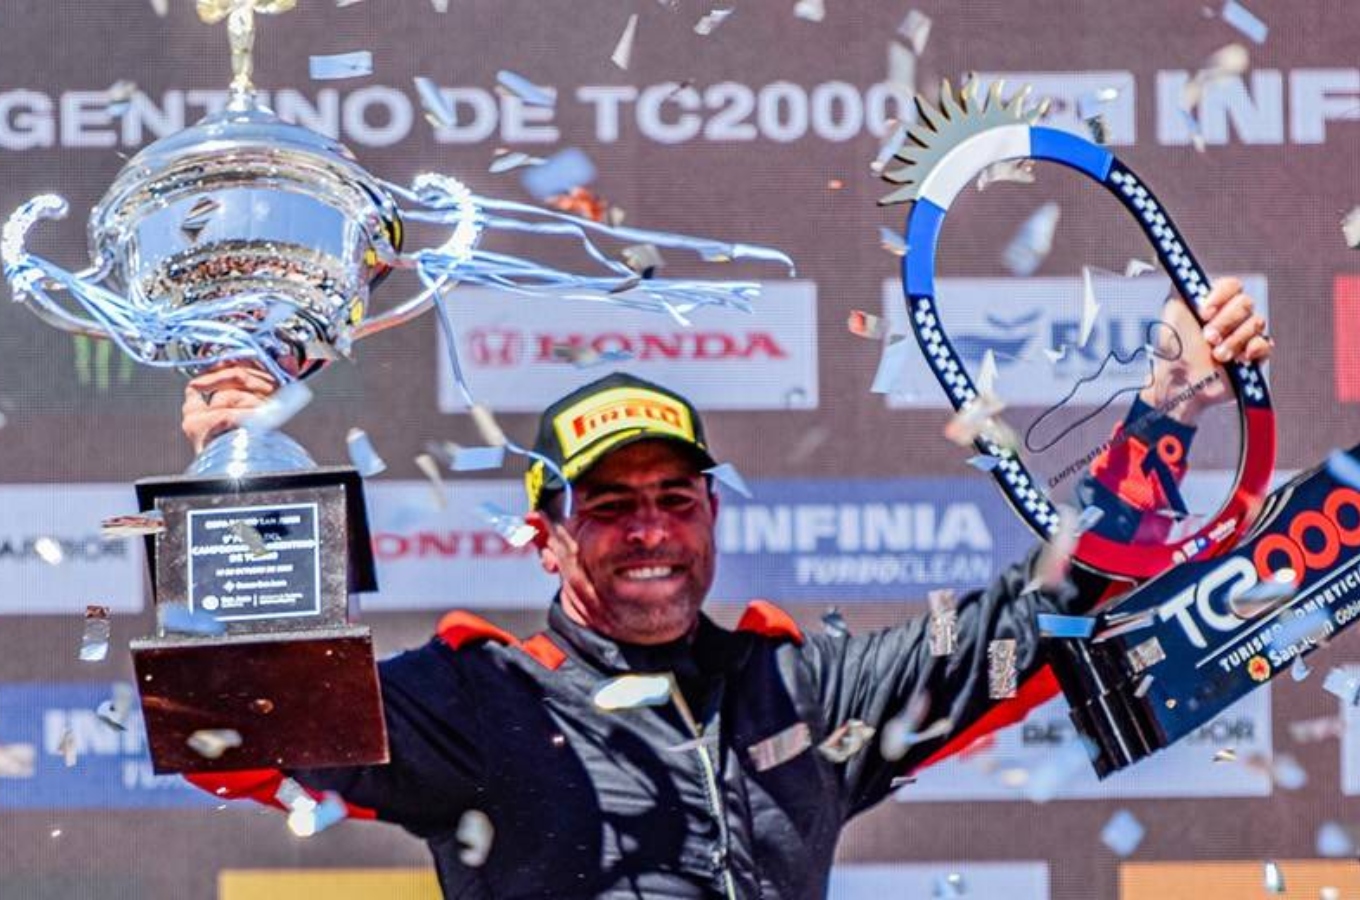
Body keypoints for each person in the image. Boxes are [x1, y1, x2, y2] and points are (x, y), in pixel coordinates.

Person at [180, 280, 1270, 899]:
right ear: (545, 537)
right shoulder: (481, 701)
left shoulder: (801, 692)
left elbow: (1042, 616)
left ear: (713, 513)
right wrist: (236, 478)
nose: (650, 530)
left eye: (676, 497)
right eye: (609, 505)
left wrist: (1169, 407)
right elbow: (237, 733)